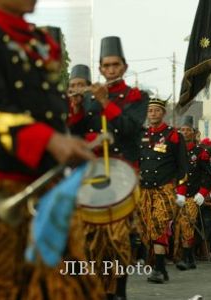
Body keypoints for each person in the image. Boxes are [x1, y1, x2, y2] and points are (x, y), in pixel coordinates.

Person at [0, 1, 104, 298]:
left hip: (47, 185)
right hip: (5, 184)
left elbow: (45, 109)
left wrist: (67, 140)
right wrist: (49, 141)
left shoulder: (38, 40)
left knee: (71, 285)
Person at [68, 36, 149, 298]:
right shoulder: (90, 98)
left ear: (124, 67)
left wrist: (105, 102)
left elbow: (129, 128)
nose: (111, 70)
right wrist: (77, 108)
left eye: (116, 65)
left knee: (117, 237)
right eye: (106, 66)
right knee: (92, 237)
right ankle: (100, 289)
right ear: (100, 69)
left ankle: (120, 290)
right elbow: (77, 132)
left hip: (122, 174)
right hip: (93, 173)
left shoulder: (138, 97)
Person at [137, 98, 187, 283]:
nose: (153, 114)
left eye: (156, 110)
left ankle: (158, 269)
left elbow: (183, 166)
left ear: (163, 113)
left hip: (164, 189)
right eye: (150, 111)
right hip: (144, 191)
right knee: (146, 229)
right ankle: (160, 267)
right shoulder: (142, 135)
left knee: (159, 224)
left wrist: (181, 191)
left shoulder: (173, 135)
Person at [174, 115, 211, 271]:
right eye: (182, 130)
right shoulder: (175, 151)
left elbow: (209, 176)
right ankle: (187, 257)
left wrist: (202, 193)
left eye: (187, 130)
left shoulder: (200, 152)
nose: (184, 132)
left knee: (187, 224)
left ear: (193, 132)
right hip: (177, 194)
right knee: (178, 226)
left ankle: (187, 258)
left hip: (192, 194)